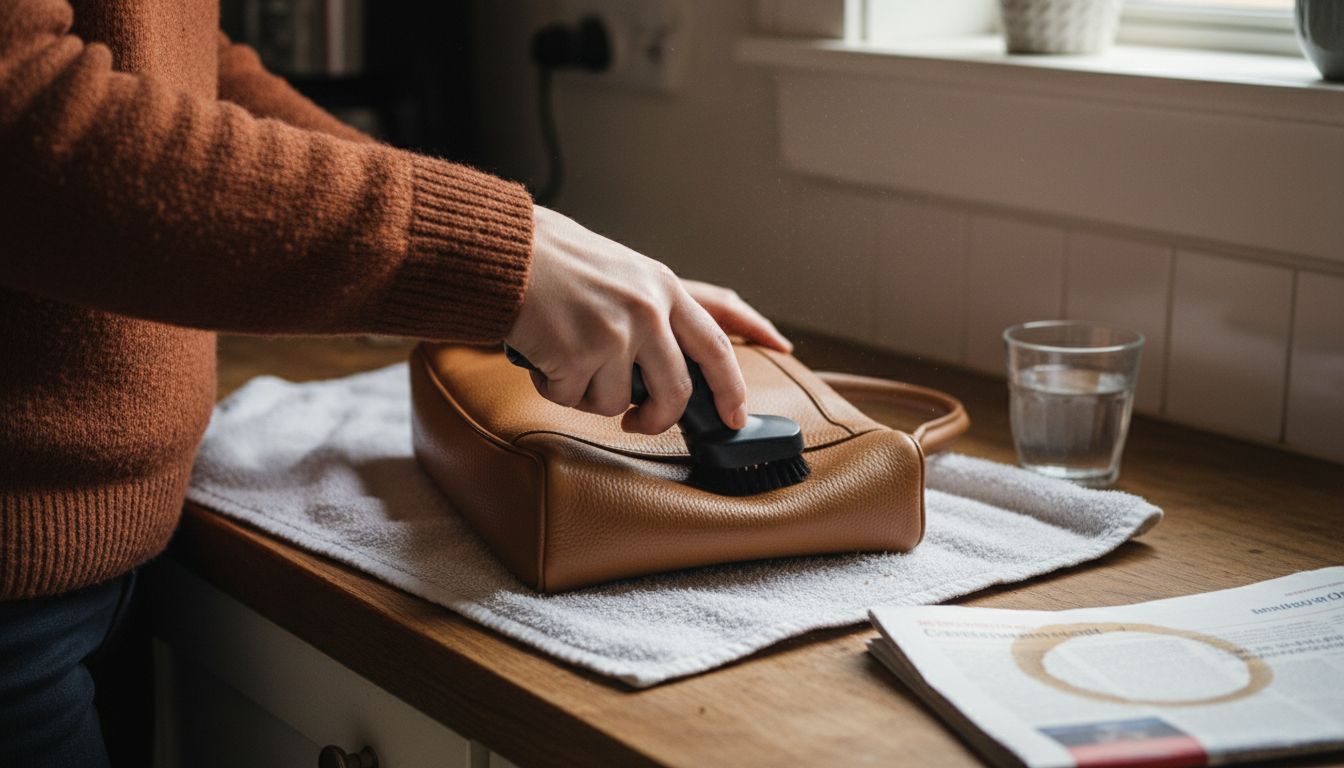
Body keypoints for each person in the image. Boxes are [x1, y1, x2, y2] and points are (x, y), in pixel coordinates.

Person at [0, 1, 792, 765]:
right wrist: (499, 260)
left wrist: (557, 267)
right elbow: (23, 114)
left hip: (115, 551)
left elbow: (180, 62)